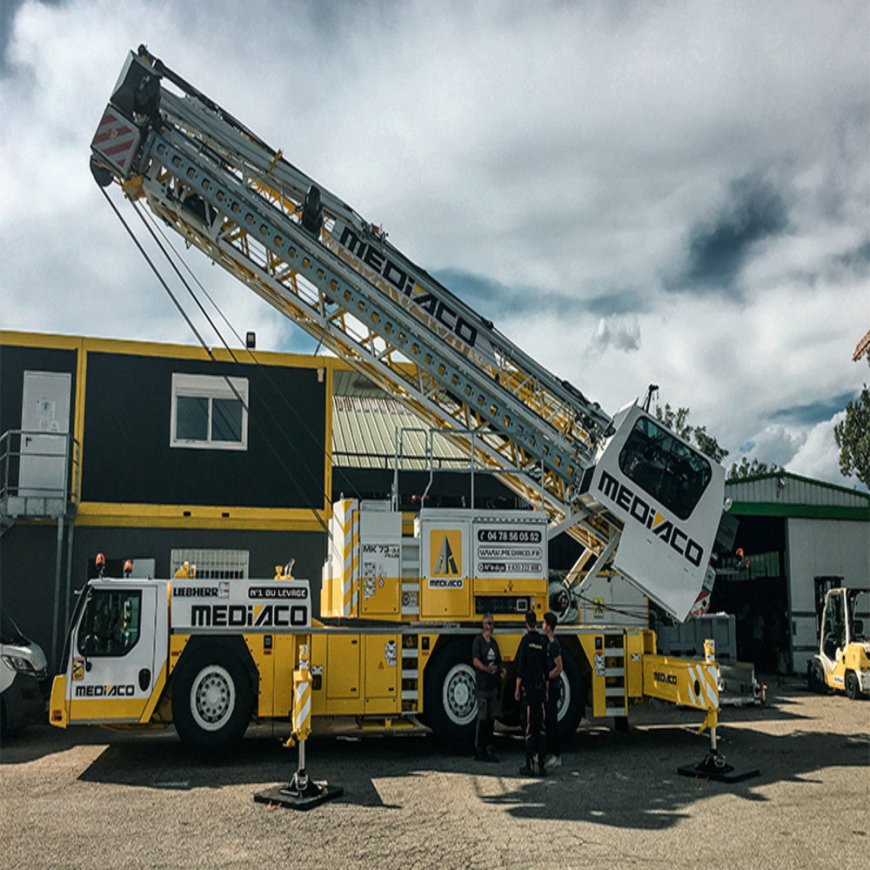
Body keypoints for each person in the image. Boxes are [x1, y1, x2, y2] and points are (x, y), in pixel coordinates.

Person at [514, 610, 548, 776]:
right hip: (540, 691)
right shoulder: (542, 641)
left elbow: (520, 669)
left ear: (526, 623)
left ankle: (529, 765)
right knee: (540, 728)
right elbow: (546, 669)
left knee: (528, 728)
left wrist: (517, 690)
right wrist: (546, 690)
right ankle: (542, 766)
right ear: (536, 622)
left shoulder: (525, 642)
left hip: (528, 692)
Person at [472, 613, 503, 762]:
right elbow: (475, 661)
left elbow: (499, 660)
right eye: (487, 623)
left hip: (493, 687)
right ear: (483, 625)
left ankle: (490, 748)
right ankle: (479, 749)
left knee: (491, 719)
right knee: (482, 718)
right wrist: (486, 668)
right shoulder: (478, 642)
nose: (489, 626)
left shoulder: (494, 644)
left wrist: (500, 670)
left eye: (491, 624)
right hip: (483, 686)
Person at [542, 611, 564, 769]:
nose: (542, 625)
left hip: (553, 688)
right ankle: (553, 753)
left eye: (543, 623)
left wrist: (547, 677)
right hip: (550, 687)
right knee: (549, 721)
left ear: (548, 626)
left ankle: (557, 755)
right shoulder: (549, 642)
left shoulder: (554, 644)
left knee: (552, 722)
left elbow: (559, 667)